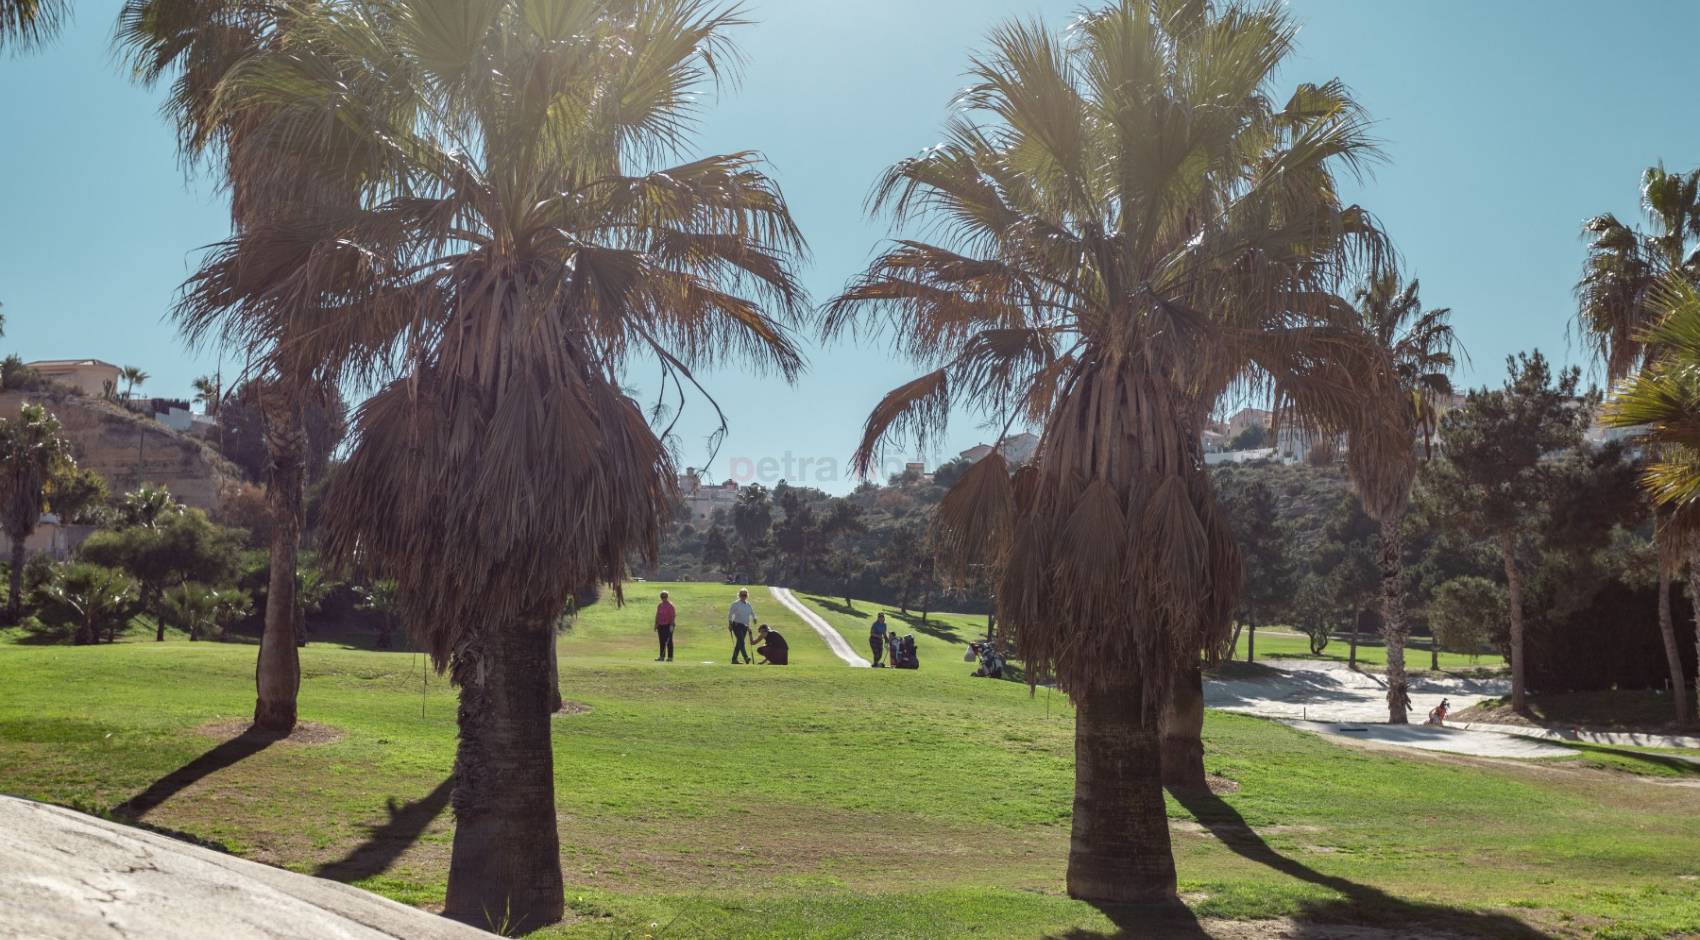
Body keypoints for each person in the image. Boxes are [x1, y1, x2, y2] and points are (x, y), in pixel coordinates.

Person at [727, 589, 756, 664]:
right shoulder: (735, 604)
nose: (744, 596)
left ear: (747, 596)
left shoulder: (748, 604)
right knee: (741, 641)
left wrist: (754, 618)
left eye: (745, 595)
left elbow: (752, 613)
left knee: (739, 643)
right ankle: (746, 657)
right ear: (739, 595)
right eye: (742, 595)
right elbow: (730, 615)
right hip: (736, 625)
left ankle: (734, 659)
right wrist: (730, 624)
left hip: (745, 626)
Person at [654, 590, 676, 662]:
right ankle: (661, 657)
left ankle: (670, 657)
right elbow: (657, 615)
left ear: (667, 597)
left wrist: (672, 625)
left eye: (664, 596)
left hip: (668, 625)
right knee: (662, 641)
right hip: (660, 625)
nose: (663, 598)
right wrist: (656, 624)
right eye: (662, 597)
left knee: (669, 641)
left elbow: (672, 616)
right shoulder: (660, 605)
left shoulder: (670, 606)